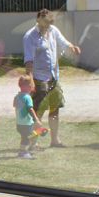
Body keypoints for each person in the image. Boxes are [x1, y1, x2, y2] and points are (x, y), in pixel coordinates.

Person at [23, 9, 80, 148]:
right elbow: (28, 60)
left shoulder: (53, 30)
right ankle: (33, 142)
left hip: (53, 77)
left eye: (48, 24)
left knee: (55, 108)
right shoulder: (30, 36)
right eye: (44, 24)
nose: (46, 27)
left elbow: (64, 44)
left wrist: (72, 48)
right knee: (38, 111)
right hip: (38, 78)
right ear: (38, 21)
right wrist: (30, 80)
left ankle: (55, 140)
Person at [14, 72, 39, 159]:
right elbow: (30, 109)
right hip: (26, 123)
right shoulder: (28, 98)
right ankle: (21, 152)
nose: (32, 88)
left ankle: (25, 150)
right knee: (26, 138)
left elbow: (15, 105)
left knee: (25, 137)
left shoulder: (17, 96)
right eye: (31, 86)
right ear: (28, 86)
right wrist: (36, 120)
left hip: (19, 123)